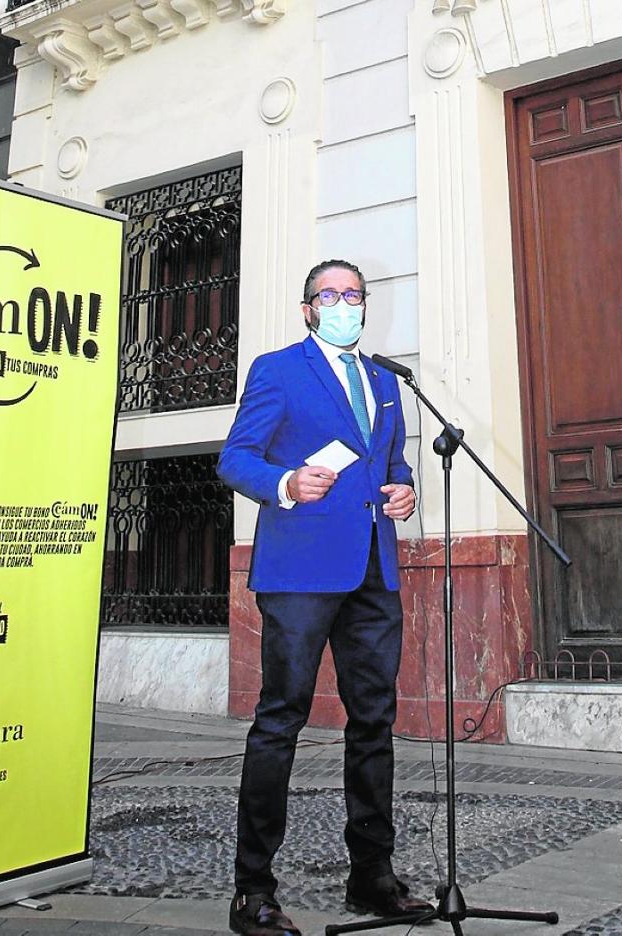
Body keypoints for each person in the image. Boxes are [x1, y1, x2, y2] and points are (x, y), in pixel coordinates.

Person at [217, 259, 434, 936]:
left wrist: (403, 489)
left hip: (373, 569)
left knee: (373, 721)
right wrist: (284, 484)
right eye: (330, 295)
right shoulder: (277, 370)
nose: (344, 304)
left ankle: (372, 874)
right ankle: (253, 891)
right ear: (309, 308)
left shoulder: (384, 382)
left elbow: (390, 465)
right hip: (301, 571)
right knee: (281, 719)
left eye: (354, 295)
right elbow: (236, 457)